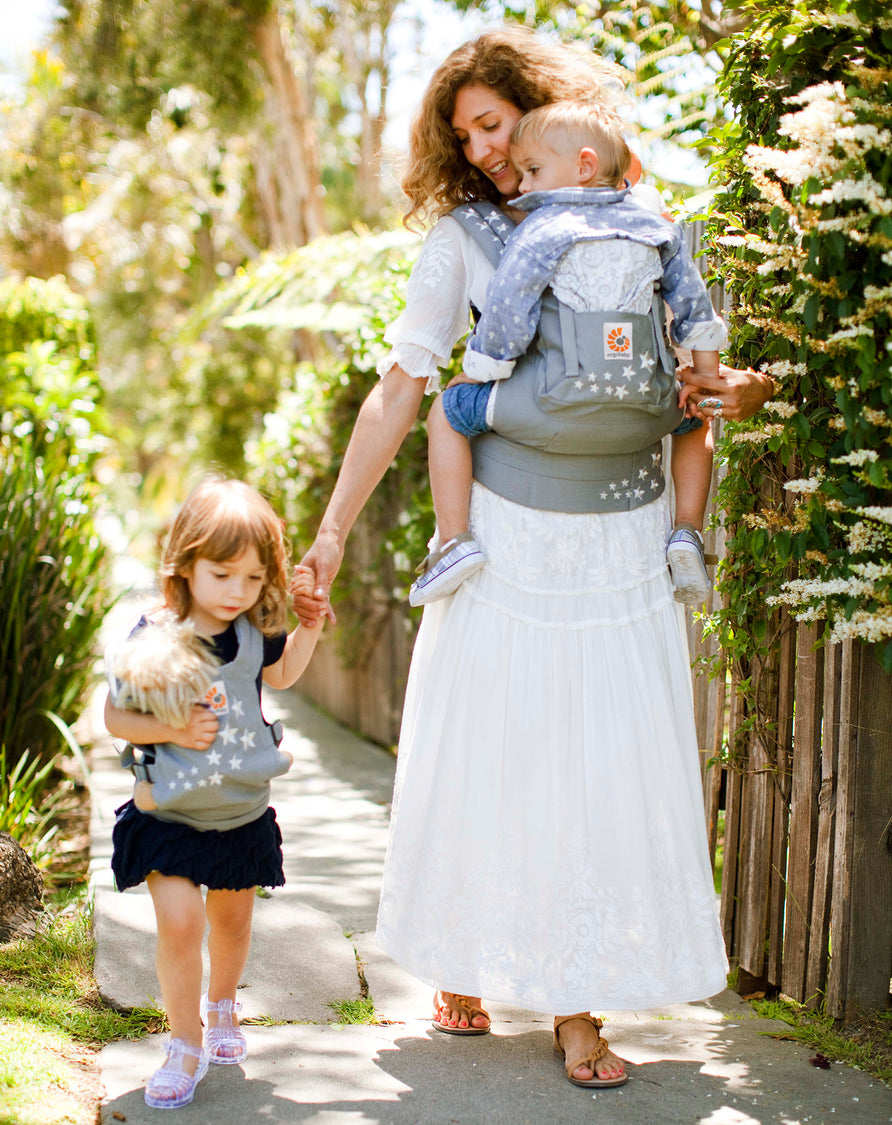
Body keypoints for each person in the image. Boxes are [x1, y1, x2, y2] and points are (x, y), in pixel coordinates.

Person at [294, 26, 773, 1089]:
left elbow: (699, 372)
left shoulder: (644, 223)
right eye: (461, 136)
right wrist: (329, 530)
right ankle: (470, 957)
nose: (481, 150)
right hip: (510, 541)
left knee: (597, 766)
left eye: (493, 124)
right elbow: (402, 389)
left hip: (622, 536)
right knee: (501, 752)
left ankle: (577, 1009)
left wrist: (740, 391)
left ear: (543, 114)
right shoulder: (463, 241)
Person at [409, 99, 727, 607]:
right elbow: (694, 309)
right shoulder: (655, 225)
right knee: (693, 420)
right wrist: (704, 380)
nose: (526, 182)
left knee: (446, 414)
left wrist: (483, 371)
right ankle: (687, 530)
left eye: (532, 169)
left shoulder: (539, 231)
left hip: (552, 403)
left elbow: (508, 317)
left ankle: (453, 542)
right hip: (646, 407)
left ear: (582, 166)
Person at [104, 478, 324, 1110]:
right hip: (169, 811)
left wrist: (307, 626)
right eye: (223, 574)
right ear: (187, 564)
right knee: (179, 923)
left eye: (254, 579)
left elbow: (280, 674)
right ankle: (183, 1042)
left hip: (238, 812)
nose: (238, 592)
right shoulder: (156, 634)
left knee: (231, 919)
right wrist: (172, 728)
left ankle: (223, 1007)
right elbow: (117, 719)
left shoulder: (252, 630)